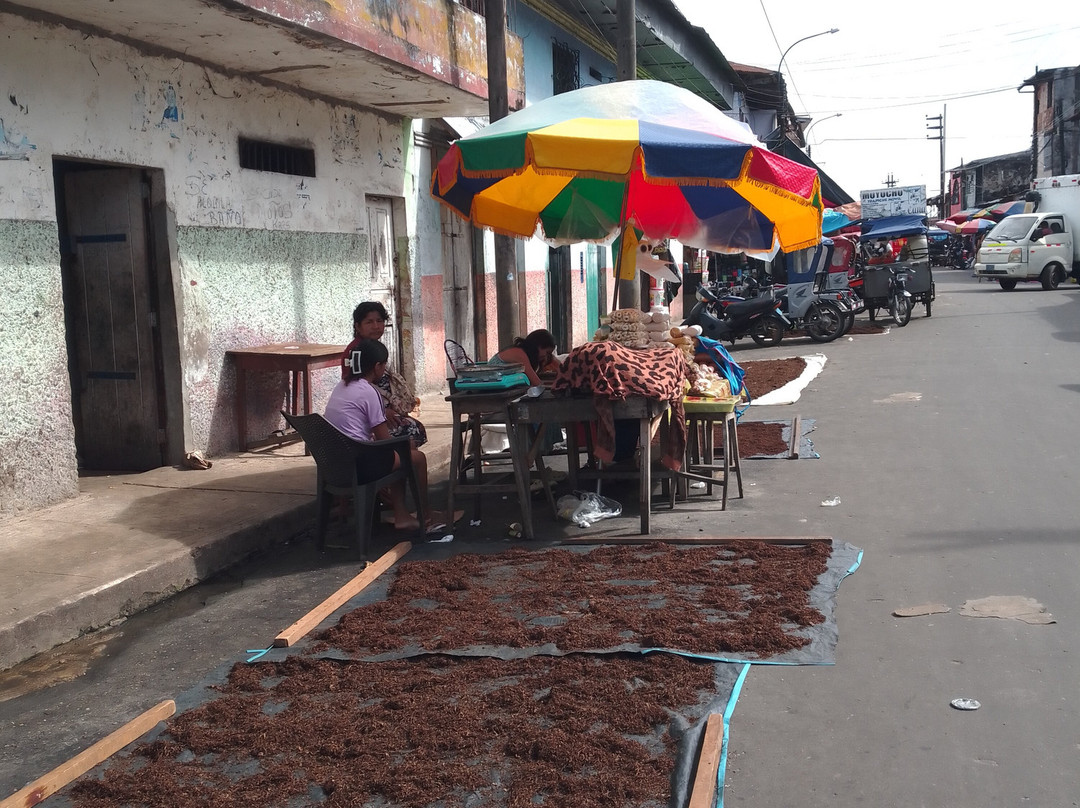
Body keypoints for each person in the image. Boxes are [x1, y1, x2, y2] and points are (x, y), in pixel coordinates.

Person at [324, 338, 441, 533]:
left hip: (335, 464)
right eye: (384, 366)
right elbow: (384, 441)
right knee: (417, 458)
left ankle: (402, 514)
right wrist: (404, 445)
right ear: (377, 366)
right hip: (360, 465)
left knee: (405, 450)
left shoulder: (341, 386)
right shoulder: (369, 392)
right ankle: (425, 514)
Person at [352, 301, 427, 448]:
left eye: (379, 321)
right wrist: (382, 411)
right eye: (369, 322)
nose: (376, 326)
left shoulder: (375, 346)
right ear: (358, 326)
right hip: (368, 417)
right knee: (411, 431)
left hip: (382, 410)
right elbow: (354, 389)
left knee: (413, 428)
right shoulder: (355, 353)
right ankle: (402, 459)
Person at [490, 329, 558, 385]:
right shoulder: (519, 354)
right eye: (547, 352)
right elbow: (536, 383)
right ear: (538, 346)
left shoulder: (524, 354)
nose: (546, 356)